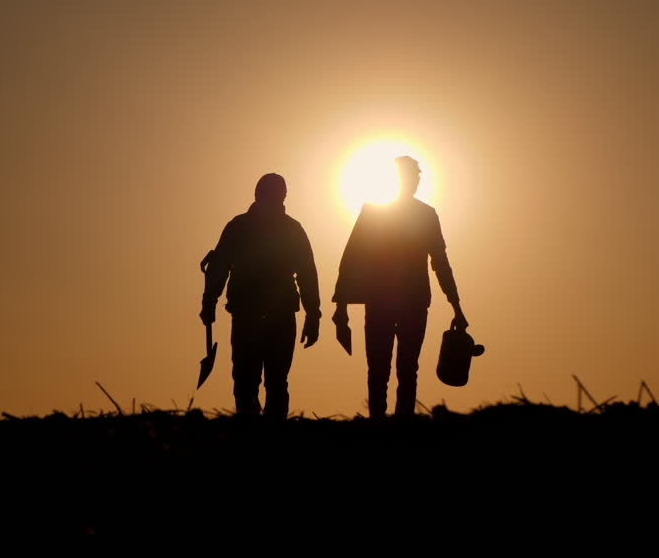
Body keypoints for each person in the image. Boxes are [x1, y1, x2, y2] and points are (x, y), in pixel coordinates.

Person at [331, 156, 467, 418]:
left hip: (411, 302)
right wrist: (341, 308)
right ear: (399, 179)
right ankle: (380, 423)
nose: (414, 181)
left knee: (405, 368)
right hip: (384, 301)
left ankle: (400, 423)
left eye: (417, 177)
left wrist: (457, 306)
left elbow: (440, 262)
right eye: (410, 176)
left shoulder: (426, 215)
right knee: (381, 368)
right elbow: (351, 259)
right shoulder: (375, 213)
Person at [200, 173, 321, 419]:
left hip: (276, 315)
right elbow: (220, 266)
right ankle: (252, 431)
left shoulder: (288, 230)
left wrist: (313, 314)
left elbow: (307, 272)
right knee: (248, 379)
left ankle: (269, 435)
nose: (273, 199)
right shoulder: (241, 227)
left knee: (273, 380)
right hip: (250, 314)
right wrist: (209, 301)